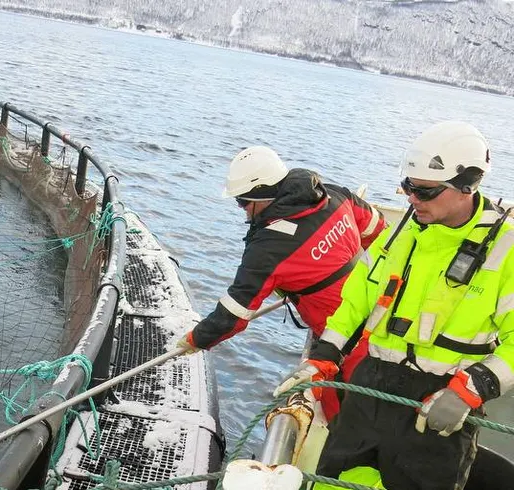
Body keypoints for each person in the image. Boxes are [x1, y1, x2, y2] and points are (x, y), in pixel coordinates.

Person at [273, 121, 514, 490]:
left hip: (441, 405)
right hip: (372, 387)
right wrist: (325, 354)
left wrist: (472, 389)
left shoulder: (506, 248)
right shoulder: (402, 231)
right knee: (331, 482)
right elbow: (358, 299)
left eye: (425, 191)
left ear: (468, 185)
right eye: (407, 188)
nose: (412, 199)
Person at [177, 145, 387, 420]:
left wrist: (194, 340)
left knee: (344, 411)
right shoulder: (334, 194)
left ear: (261, 195)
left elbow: (233, 316)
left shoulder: (268, 247)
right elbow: (378, 230)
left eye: (242, 202)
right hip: (385, 310)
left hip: (344, 339)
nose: (244, 213)